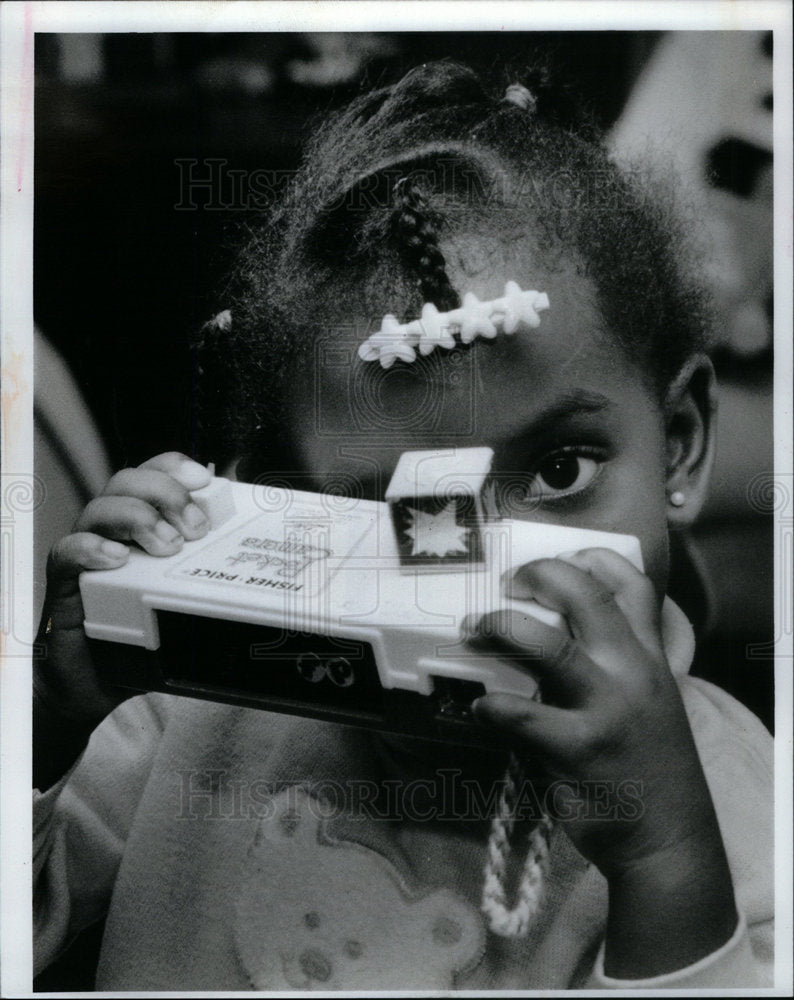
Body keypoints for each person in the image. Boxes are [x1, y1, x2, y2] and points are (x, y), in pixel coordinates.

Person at [33, 62, 773, 990]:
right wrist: (44, 729)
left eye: (557, 471)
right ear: (288, 504)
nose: (480, 591)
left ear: (677, 446)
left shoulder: (731, 797)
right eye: (394, 515)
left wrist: (664, 861)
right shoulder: (190, 713)